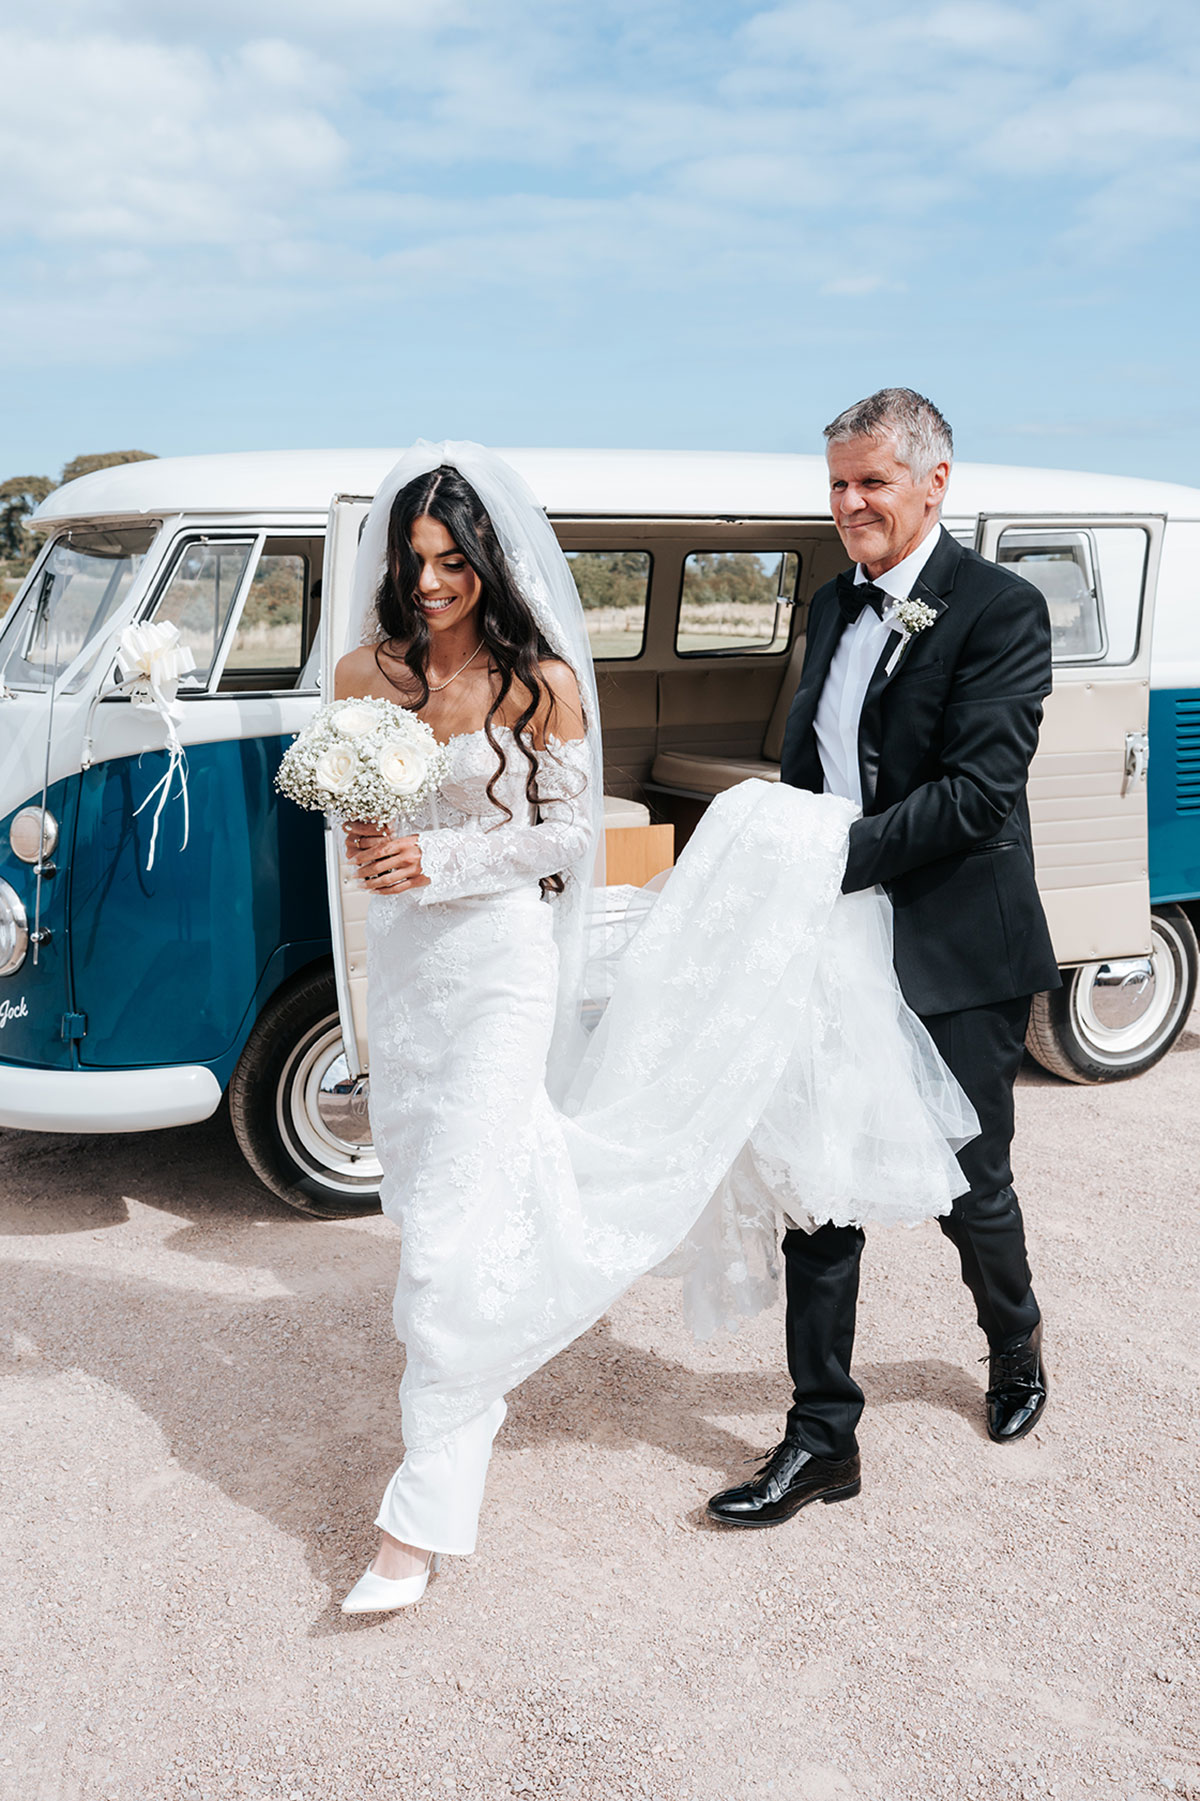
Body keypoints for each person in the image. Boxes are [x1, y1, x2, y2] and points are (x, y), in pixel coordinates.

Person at [331, 440, 978, 1616]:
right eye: (413, 561)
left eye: (451, 563)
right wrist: (374, 844)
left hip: (502, 966)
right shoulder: (363, 674)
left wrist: (443, 857)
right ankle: (480, 1358)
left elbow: (563, 839)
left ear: (487, 561)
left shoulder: (545, 685)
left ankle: (418, 1518)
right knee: (433, 1201)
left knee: (447, 1240)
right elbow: (354, 818)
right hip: (413, 965)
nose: (428, 583)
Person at [706, 389, 1057, 1533]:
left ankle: (1013, 1341)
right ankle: (822, 1438)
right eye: (837, 486)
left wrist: (821, 859)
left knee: (972, 1181)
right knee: (819, 1184)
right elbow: (815, 761)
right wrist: (781, 847)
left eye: (872, 483)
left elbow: (975, 795)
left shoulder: (1002, 610)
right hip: (833, 932)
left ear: (935, 483)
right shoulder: (829, 600)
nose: (850, 504)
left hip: (956, 943)